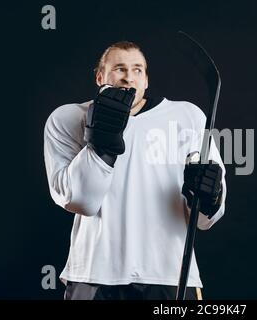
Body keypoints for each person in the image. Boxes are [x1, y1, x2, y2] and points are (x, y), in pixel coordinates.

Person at [43, 41, 226, 300]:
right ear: (100, 77)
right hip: (94, 274)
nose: (129, 77)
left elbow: (205, 219)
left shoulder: (187, 117)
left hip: (168, 275)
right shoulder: (68, 119)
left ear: (147, 80)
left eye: (137, 69)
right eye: (119, 68)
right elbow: (81, 201)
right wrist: (101, 141)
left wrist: (210, 197)